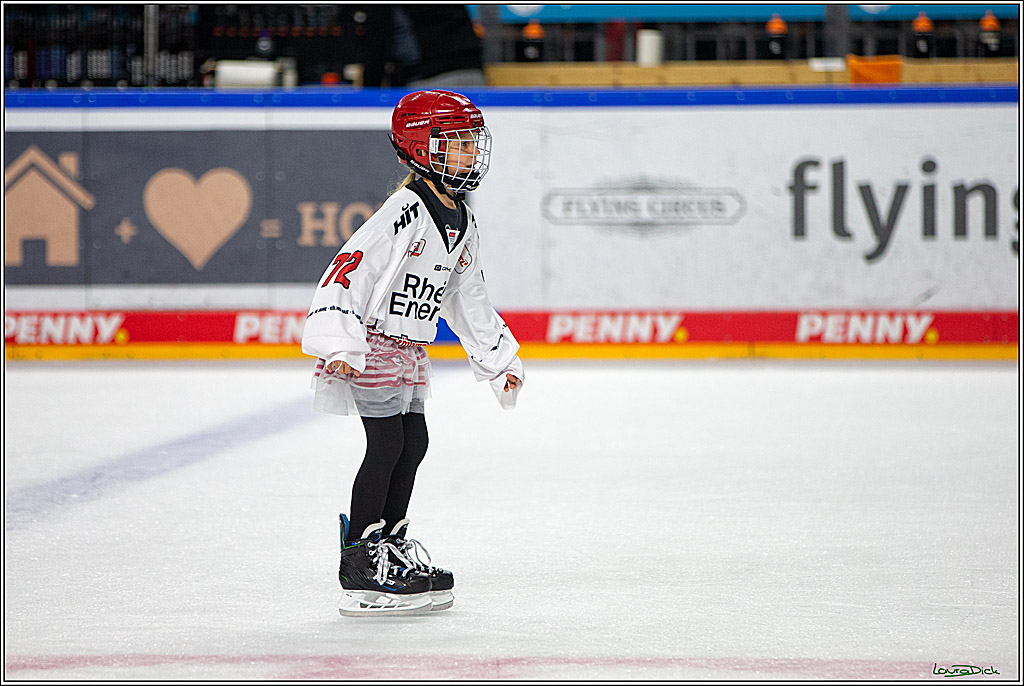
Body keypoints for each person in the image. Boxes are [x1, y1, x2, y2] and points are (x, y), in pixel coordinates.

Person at [301, 90, 524, 617]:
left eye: (474, 143)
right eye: (457, 143)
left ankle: (391, 546)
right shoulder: (405, 209)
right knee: (386, 445)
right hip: (372, 344)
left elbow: (468, 297)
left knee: (413, 441)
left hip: (409, 350)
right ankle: (360, 560)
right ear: (423, 148)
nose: (471, 154)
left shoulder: (461, 219)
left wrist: (499, 362)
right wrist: (340, 340)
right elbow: (351, 265)